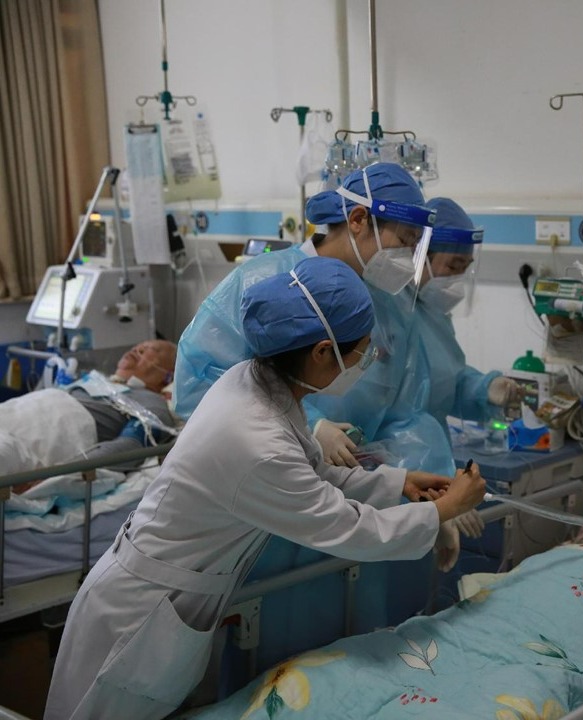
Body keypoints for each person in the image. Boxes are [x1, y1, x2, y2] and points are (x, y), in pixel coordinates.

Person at [44, 257, 487, 720]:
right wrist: (445, 510)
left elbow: (314, 475)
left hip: (166, 602)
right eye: (362, 351)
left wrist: (399, 481)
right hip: (136, 619)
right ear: (322, 352)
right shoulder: (257, 439)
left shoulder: (259, 384)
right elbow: (349, 529)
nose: (368, 360)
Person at [173, 162, 434, 420]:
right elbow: (199, 380)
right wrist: (308, 425)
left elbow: (407, 407)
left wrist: (389, 448)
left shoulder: (390, 303)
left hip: (361, 448)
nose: (408, 256)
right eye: (404, 240)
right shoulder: (265, 280)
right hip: (266, 444)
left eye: (414, 245)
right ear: (357, 219)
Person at [415, 198, 522, 441]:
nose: (457, 279)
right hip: (389, 453)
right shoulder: (389, 316)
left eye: (465, 268)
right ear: (419, 257)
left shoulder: (434, 316)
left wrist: (485, 389)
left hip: (429, 449)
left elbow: (445, 386)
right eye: (453, 267)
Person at [0, 340, 178, 484]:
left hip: (41, 435)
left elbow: (130, 446)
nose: (137, 349)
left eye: (151, 350)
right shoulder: (94, 382)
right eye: (138, 346)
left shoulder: (151, 402)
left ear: (168, 376)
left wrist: (56, 474)